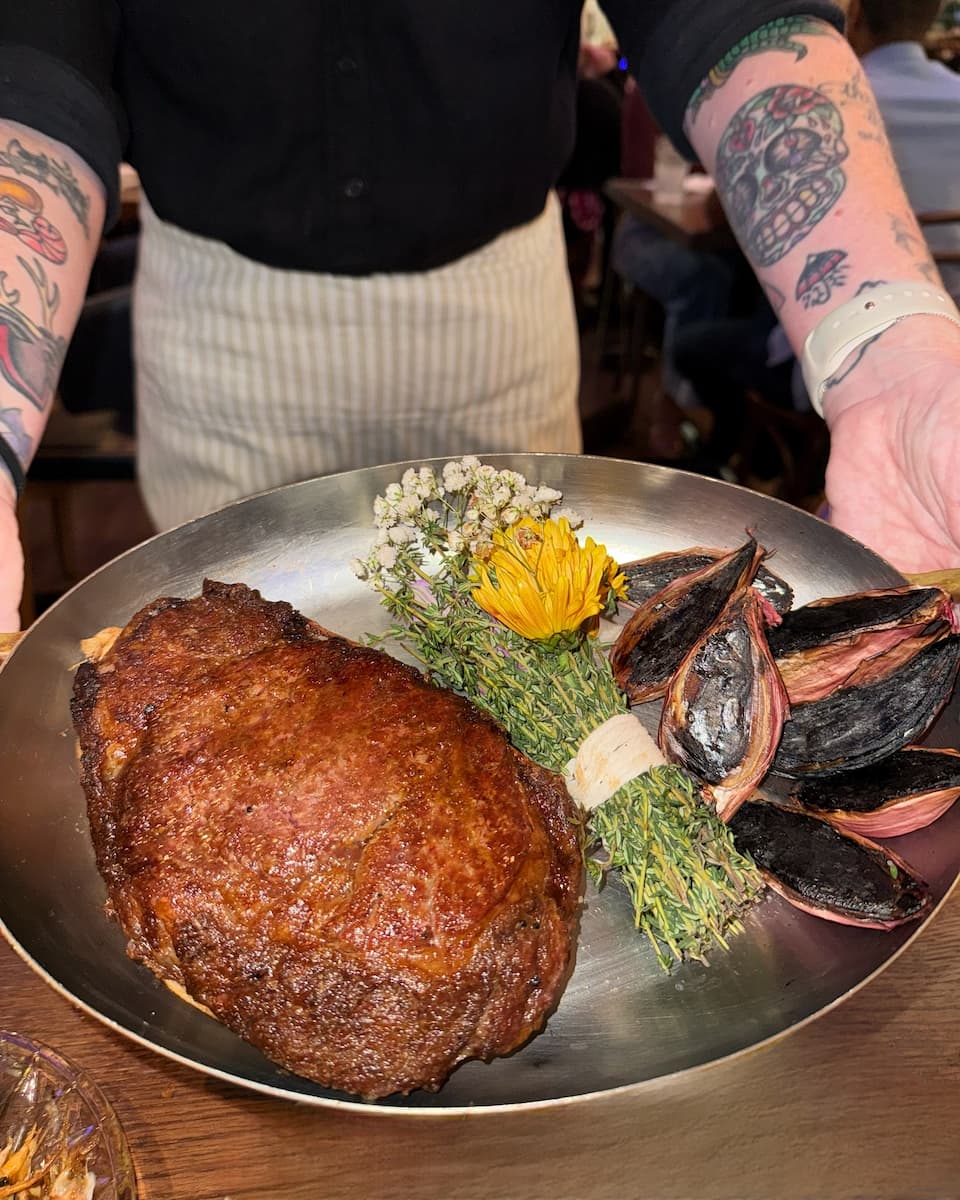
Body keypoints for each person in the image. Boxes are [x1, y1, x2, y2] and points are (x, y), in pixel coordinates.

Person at [2, 3, 960, 634]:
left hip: (496, 314)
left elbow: (718, 11)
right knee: (233, 678)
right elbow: (33, 58)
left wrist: (895, 360)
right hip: (223, 324)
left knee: (535, 662)